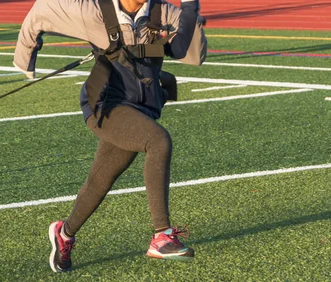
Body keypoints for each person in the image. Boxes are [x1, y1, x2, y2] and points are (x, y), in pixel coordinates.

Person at [14, 0, 207, 272]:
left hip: (142, 109)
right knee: (158, 141)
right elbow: (42, 10)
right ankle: (162, 235)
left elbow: (192, 55)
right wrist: (25, 59)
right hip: (107, 106)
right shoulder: (93, 10)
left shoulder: (163, 12)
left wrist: (190, 11)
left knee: (100, 181)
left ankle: (64, 233)